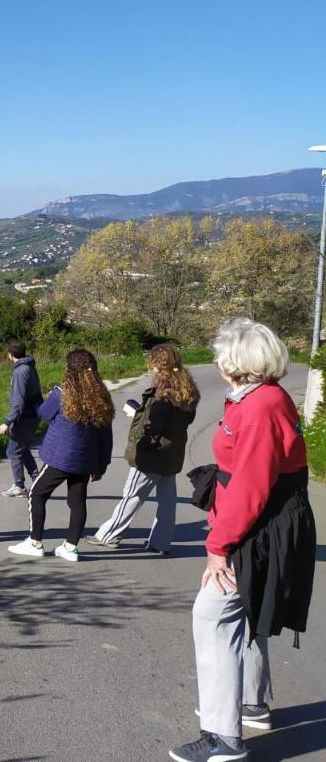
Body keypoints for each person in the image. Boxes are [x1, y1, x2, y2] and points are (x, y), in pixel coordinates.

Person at [170, 319, 316, 762]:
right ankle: (252, 703)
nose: (216, 360)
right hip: (261, 521)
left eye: (220, 353)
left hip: (259, 527)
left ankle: (222, 737)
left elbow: (251, 487)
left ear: (238, 361)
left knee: (213, 617)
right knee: (245, 611)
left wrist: (218, 545)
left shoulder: (260, 406)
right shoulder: (257, 398)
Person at [88, 344, 199, 553]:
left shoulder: (162, 394)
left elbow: (154, 426)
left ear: (158, 365)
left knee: (132, 494)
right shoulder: (187, 390)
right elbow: (186, 419)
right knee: (167, 502)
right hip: (173, 452)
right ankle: (161, 543)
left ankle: (109, 534)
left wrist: (142, 444)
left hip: (153, 454)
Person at [8, 348, 113, 562]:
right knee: (77, 501)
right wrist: (102, 464)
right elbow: (106, 433)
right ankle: (70, 547)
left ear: (69, 369)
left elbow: (44, 414)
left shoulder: (63, 392)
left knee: (37, 494)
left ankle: (35, 542)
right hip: (86, 460)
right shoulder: (101, 395)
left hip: (60, 457)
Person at [0, 339, 43, 498]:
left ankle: (19, 486)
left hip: (25, 417)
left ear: (10, 355)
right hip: (32, 415)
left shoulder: (20, 371)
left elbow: (18, 401)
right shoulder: (29, 366)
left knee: (13, 451)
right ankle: (38, 481)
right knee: (22, 449)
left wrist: (7, 422)